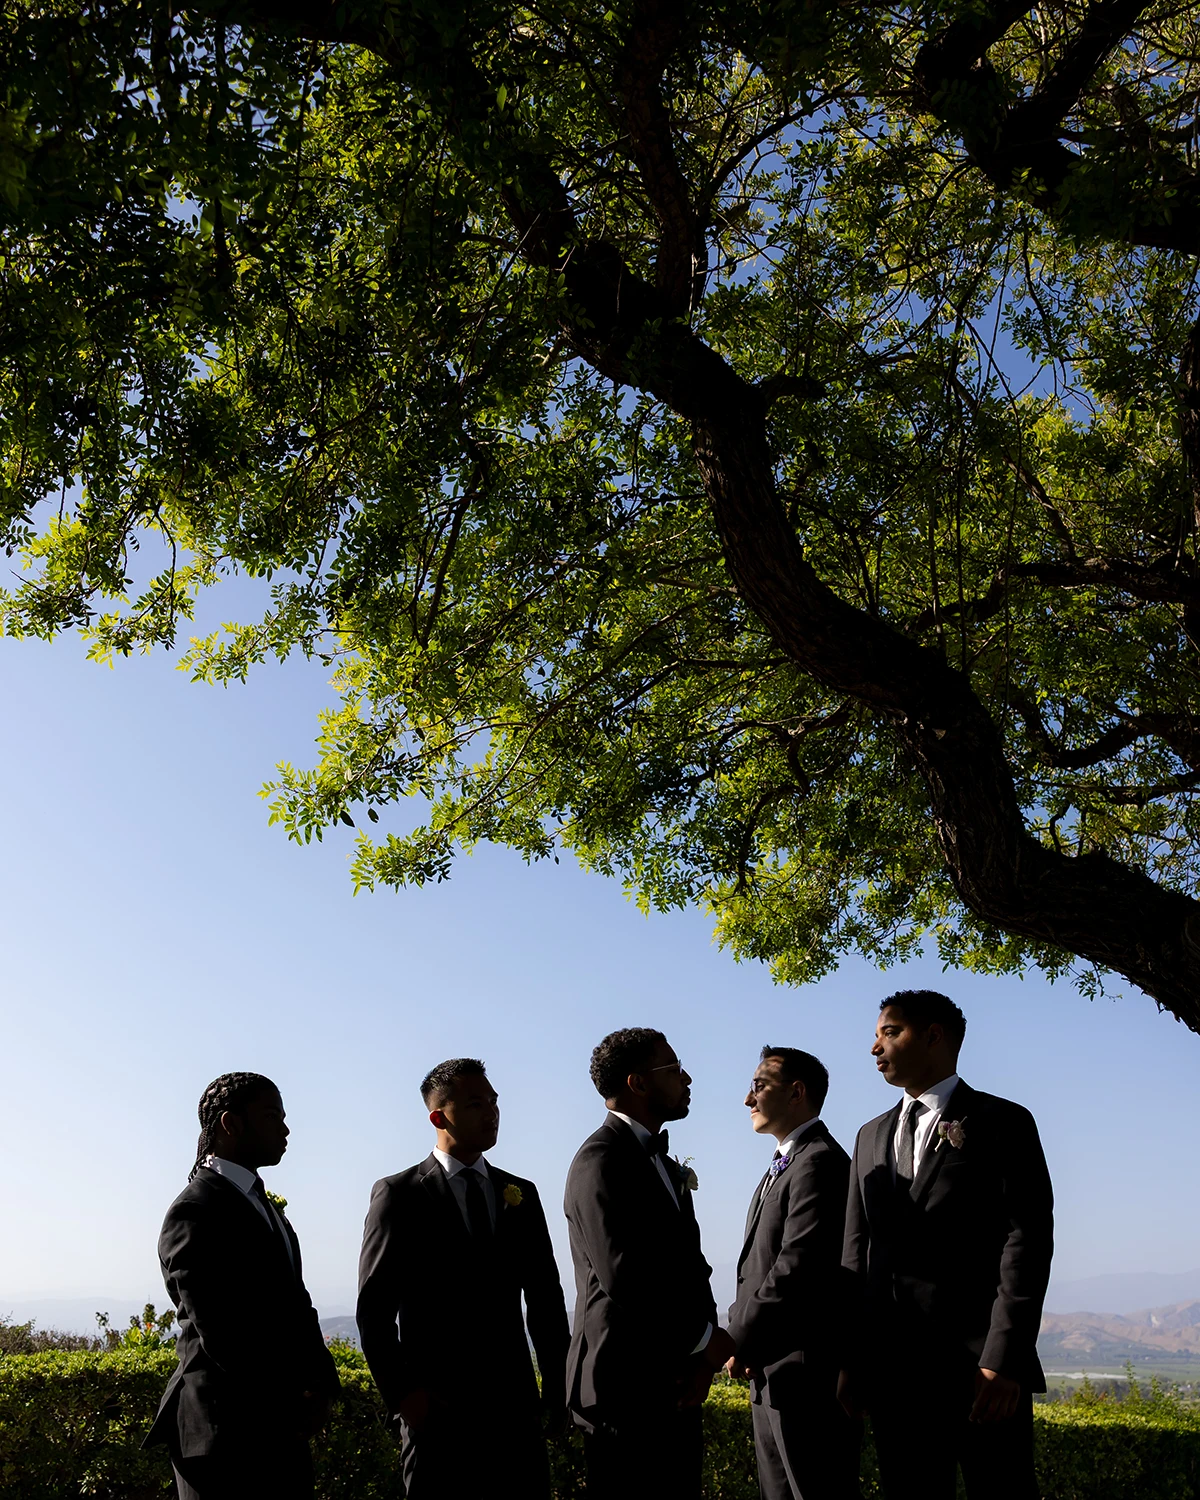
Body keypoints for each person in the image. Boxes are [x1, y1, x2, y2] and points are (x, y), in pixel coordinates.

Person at [840, 991, 1054, 1500]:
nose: (874, 1047)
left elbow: (1025, 1243)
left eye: (889, 1033)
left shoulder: (1004, 1122)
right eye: (875, 1035)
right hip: (894, 1376)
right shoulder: (868, 1136)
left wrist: (1003, 1359)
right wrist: (852, 1360)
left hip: (981, 1373)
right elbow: (856, 1253)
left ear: (934, 1036)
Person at [356, 1058, 569, 1500]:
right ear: (439, 1118)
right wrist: (405, 1396)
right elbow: (374, 1310)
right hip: (437, 1416)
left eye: (494, 1101)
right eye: (475, 1104)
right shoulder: (399, 1194)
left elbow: (546, 1299)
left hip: (515, 1415)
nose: (491, 1112)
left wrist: (556, 1389)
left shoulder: (521, 1194)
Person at [144, 1072, 339, 1500]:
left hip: (279, 1431)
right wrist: (289, 1402)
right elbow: (219, 1329)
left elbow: (298, 1304)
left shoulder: (265, 1207)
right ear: (231, 1124)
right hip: (221, 1435)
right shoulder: (195, 1209)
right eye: (272, 1117)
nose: (286, 1130)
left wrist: (323, 1386)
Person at [564, 1027, 735, 1500]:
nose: (687, 1078)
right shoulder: (599, 1160)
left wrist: (701, 1361)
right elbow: (624, 1275)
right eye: (674, 1068)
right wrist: (705, 1339)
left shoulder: (661, 1162)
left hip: (673, 1383)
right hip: (623, 1390)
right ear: (638, 1083)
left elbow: (692, 1266)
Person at [726, 1046, 857, 1500]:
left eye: (759, 1086)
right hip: (771, 1369)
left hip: (806, 1376)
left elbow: (795, 1267)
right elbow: (755, 1268)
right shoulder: (787, 1163)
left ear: (797, 1092)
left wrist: (735, 1339)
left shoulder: (819, 1162)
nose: (748, 1099)